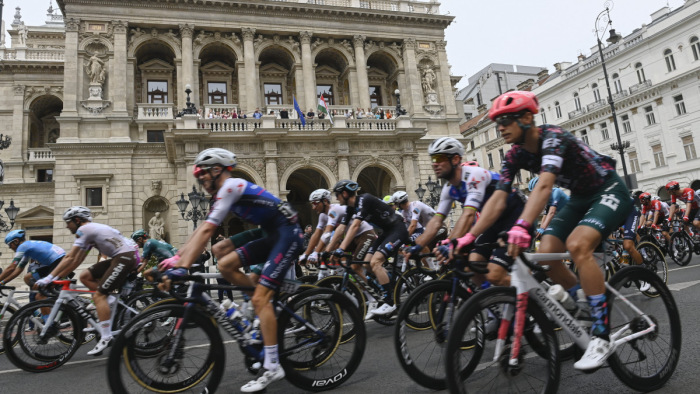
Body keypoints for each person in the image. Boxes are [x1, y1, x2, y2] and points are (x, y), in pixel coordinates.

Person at [453, 90, 632, 371]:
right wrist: (468, 236)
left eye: (505, 121)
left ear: (526, 118)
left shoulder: (553, 138)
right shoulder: (514, 155)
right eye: (497, 123)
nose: (500, 129)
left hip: (608, 188)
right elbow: (498, 200)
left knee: (578, 245)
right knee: (547, 254)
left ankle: (601, 335)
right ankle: (582, 303)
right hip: (579, 196)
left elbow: (545, 186)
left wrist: (523, 225)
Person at [157, 148, 302, 392]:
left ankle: (273, 365)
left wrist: (182, 269)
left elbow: (206, 232)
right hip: (271, 233)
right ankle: (258, 308)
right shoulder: (221, 194)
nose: (200, 180)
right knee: (224, 262)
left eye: (202, 174)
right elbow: (202, 228)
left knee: (261, 296)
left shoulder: (231, 186)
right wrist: (177, 259)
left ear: (217, 170)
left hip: (287, 233)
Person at [408, 137, 526, 287]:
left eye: (439, 158)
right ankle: (492, 303)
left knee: (494, 275)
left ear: (456, 159)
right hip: (493, 221)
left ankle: (528, 294)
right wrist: (418, 246)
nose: (434, 163)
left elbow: (469, 215)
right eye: (432, 159)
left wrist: (451, 243)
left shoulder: (473, 175)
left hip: (515, 215)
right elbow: (437, 221)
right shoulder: (449, 188)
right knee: (473, 264)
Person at [35, 206, 139, 356]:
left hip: (125, 257)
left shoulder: (84, 230)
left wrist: (49, 278)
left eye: (68, 222)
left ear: (77, 220)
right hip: (121, 256)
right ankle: (108, 299)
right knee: (85, 276)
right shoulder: (89, 233)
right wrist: (58, 277)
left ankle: (106, 336)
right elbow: (78, 259)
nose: (66, 225)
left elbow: (69, 257)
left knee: (98, 296)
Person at [331, 179, 407, 319]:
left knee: (375, 262)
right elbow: (341, 227)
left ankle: (389, 302)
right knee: (366, 263)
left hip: (398, 229)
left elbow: (354, 226)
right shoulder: (350, 207)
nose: (336, 198)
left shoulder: (364, 199)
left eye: (337, 194)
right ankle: (391, 285)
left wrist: (341, 248)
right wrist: (329, 250)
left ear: (345, 193)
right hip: (386, 232)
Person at [0, 230, 66, 294]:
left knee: (40, 296)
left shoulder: (22, 246)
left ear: (16, 241)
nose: (10, 248)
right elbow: (19, 269)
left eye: (10, 245)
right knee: (27, 278)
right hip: (57, 261)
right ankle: (46, 299)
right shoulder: (27, 247)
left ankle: (49, 300)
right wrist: (2, 282)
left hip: (58, 262)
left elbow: (11, 268)